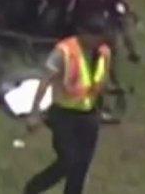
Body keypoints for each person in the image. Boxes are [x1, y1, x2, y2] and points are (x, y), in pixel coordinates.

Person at [21, 21, 114, 194]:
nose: (98, 41)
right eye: (95, 37)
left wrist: (104, 106)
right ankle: (34, 188)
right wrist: (35, 113)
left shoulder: (104, 52)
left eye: (101, 37)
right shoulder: (64, 52)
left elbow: (101, 81)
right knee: (68, 161)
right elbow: (45, 82)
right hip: (64, 115)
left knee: (81, 166)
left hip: (89, 115)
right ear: (84, 33)